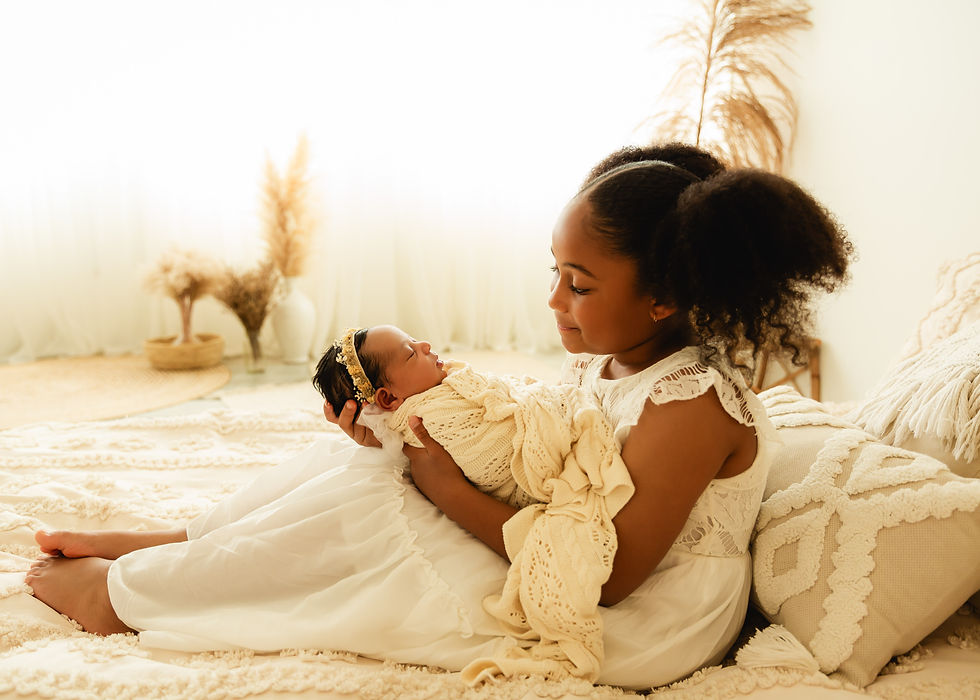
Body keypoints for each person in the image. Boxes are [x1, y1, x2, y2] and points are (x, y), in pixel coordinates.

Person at [26, 142, 853, 690]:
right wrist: (426, 431)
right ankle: (181, 543)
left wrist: (442, 485)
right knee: (376, 457)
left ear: (667, 298)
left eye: (580, 284)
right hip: (569, 553)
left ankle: (133, 595)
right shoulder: (616, 361)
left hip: (641, 617)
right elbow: (546, 460)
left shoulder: (694, 405)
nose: (554, 301)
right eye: (556, 273)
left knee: (386, 499)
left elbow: (608, 576)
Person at [313, 323, 635, 680]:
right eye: (410, 352)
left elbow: (502, 391)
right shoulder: (429, 419)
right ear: (389, 400)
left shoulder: (444, 384)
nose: (425, 344)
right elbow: (491, 453)